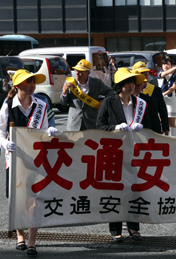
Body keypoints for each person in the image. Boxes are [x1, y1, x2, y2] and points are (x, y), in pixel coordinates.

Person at [0, 69, 58, 257]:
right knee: (16, 199)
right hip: (13, 159)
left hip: (35, 159)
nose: (32, 86)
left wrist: (50, 131)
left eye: (33, 82)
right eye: (27, 82)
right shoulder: (8, 105)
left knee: (34, 200)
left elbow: (45, 129)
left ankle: (32, 240)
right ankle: (19, 235)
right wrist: (5, 143)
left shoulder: (41, 105)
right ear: (18, 85)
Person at [96, 68, 152, 243]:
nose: (131, 85)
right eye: (128, 82)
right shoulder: (108, 102)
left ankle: (134, 227)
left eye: (133, 82)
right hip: (115, 152)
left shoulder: (139, 103)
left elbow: (149, 126)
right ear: (120, 85)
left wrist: (142, 128)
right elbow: (99, 126)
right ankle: (116, 229)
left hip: (136, 153)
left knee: (135, 190)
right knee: (116, 190)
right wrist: (115, 128)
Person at [60, 59, 114, 131]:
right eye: (76, 70)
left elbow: (111, 92)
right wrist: (64, 93)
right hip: (74, 124)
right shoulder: (70, 83)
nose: (77, 73)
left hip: (91, 123)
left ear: (88, 72)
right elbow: (63, 103)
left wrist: (102, 102)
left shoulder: (96, 83)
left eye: (80, 71)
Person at [132, 61, 170, 135]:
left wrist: (165, 127)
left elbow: (162, 110)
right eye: (141, 74)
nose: (144, 77)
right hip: (136, 128)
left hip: (153, 127)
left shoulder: (156, 90)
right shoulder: (131, 91)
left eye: (146, 74)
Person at [158, 57, 176, 136]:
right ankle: (163, 138)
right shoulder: (160, 73)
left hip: (170, 101)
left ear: (171, 65)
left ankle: (173, 139)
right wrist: (175, 68)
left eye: (167, 64)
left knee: (171, 122)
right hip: (162, 100)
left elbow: (174, 87)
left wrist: (164, 93)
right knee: (161, 121)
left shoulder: (175, 76)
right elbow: (165, 74)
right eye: (164, 64)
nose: (165, 66)